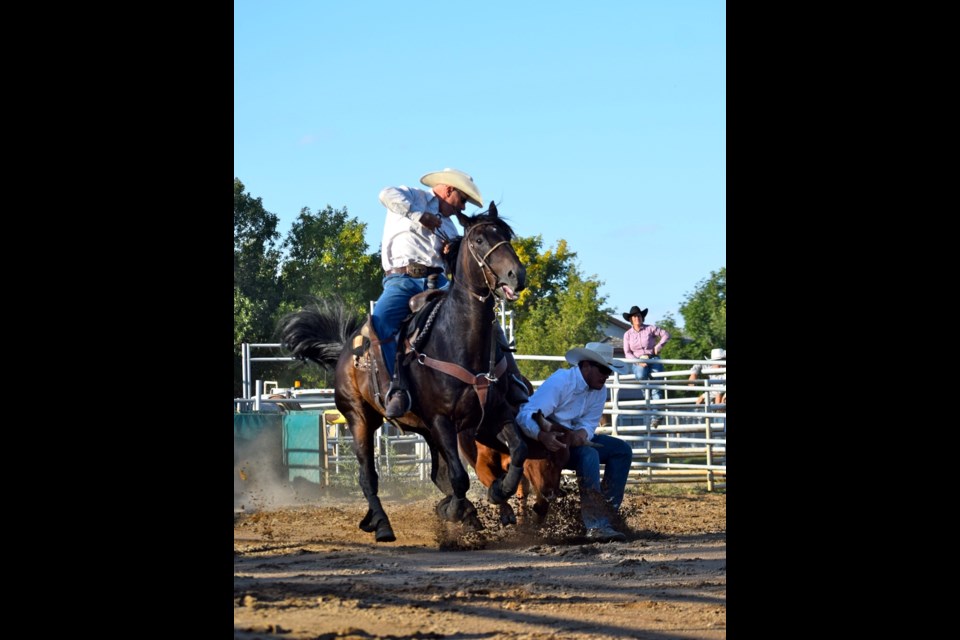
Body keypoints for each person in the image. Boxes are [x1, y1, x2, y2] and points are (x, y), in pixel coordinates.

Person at [372, 168, 527, 418]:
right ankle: (396, 388)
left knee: (485, 321)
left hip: (440, 282)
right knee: (380, 324)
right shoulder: (413, 196)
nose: (462, 208)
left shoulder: (452, 230)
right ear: (448, 190)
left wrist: (450, 254)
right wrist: (420, 215)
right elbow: (385, 194)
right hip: (401, 279)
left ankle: (513, 379)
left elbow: (461, 268)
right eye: (462, 200)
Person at [516, 342, 634, 542]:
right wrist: (542, 436)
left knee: (622, 451)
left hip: (571, 441)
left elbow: (589, 423)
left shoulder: (599, 389)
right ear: (586, 365)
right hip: (549, 443)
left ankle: (607, 515)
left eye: (609, 372)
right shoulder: (561, 382)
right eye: (604, 370)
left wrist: (581, 433)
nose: (607, 376)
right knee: (590, 454)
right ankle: (596, 524)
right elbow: (526, 415)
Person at [621, 305, 671, 427]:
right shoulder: (628, 334)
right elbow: (627, 352)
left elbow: (666, 334)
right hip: (639, 360)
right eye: (635, 316)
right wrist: (637, 361)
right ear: (631, 319)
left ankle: (655, 416)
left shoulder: (650, 329)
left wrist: (658, 347)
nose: (637, 318)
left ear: (642, 317)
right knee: (642, 376)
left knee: (656, 386)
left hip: (652, 358)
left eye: (639, 316)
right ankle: (654, 410)